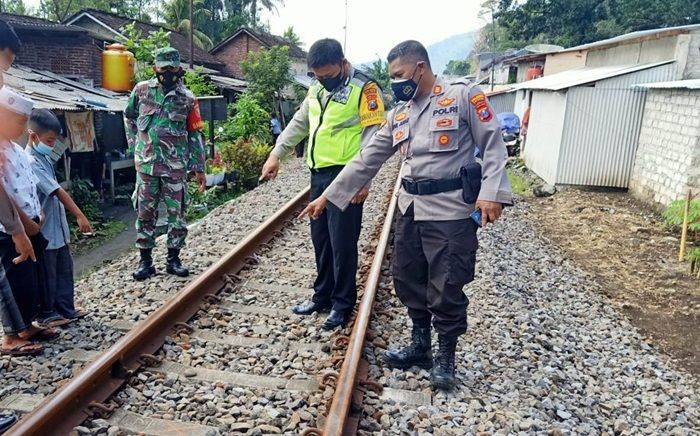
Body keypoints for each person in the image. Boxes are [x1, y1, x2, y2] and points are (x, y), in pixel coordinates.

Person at [300, 40, 513, 389]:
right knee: (408, 277)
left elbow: (492, 144)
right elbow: (367, 158)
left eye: (399, 74)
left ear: (420, 68)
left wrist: (491, 193)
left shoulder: (462, 95)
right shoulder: (400, 111)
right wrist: (328, 196)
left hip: (451, 210)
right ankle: (420, 344)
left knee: (447, 283)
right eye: (392, 76)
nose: (395, 82)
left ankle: (445, 356)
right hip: (410, 208)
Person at [260, 38, 386, 330]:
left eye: (329, 76)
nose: (324, 81)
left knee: (342, 243)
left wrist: (363, 180)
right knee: (321, 239)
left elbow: (372, 137)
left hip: (347, 175)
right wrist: (276, 154)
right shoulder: (316, 87)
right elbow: (300, 122)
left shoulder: (365, 89)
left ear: (343, 64)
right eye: (319, 76)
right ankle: (322, 296)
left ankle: (343, 304)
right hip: (318, 174)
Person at [124, 47, 206, 281]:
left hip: (175, 168)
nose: (167, 73)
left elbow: (194, 134)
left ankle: (173, 259)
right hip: (147, 167)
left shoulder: (188, 99)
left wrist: (199, 167)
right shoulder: (141, 91)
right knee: (144, 213)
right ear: (155, 68)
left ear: (179, 69)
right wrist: (134, 146)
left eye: (172, 68)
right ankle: (145, 261)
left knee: (177, 214)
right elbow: (128, 116)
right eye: (163, 68)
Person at [0, 87, 61, 355]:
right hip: (9, 230)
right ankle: (12, 336)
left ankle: (27, 326)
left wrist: (39, 213)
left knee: (29, 280)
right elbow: (3, 193)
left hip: (29, 225)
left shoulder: (15, 149)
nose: (22, 127)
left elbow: (26, 186)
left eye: (25, 122)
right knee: (12, 282)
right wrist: (22, 226)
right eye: (18, 120)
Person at [27, 109, 92, 325]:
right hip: (44, 230)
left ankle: (66, 308)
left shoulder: (43, 158)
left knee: (64, 269)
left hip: (58, 229)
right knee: (47, 274)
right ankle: (47, 314)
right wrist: (80, 216)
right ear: (33, 136)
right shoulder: (31, 161)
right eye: (49, 140)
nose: (52, 145)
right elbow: (56, 191)